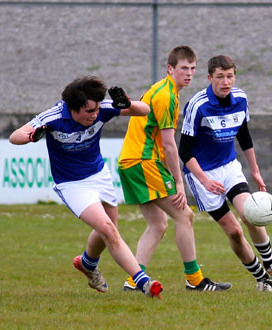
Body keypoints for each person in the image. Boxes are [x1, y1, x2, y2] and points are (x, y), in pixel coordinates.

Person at [9, 76, 163, 298]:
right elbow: (15, 136)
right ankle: (144, 283)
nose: (94, 114)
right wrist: (31, 135)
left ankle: (88, 264)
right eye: (89, 111)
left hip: (99, 175)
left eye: (96, 109)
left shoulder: (100, 109)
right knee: (109, 230)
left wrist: (128, 104)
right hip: (72, 184)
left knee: (110, 230)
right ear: (73, 109)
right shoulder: (54, 117)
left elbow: (145, 110)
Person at [118, 46, 231, 292]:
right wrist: (179, 182)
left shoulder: (162, 89)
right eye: (183, 68)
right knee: (184, 215)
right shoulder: (167, 95)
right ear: (171, 69)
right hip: (143, 162)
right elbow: (170, 145)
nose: (189, 74)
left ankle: (134, 281)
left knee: (158, 224)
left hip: (130, 162)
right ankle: (195, 280)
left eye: (192, 69)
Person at [179, 55, 272, 292]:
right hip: (202, 174)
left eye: (229, 76)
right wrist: (205, 180)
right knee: (234, 232)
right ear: (210, 78)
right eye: (220, 77)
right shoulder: (197, 105)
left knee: (250, 214)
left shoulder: (240, 98)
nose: (225, 81)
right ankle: (262, 279)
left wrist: (256, 171)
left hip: (229, 167)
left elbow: (244, 136)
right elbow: (184, 150)